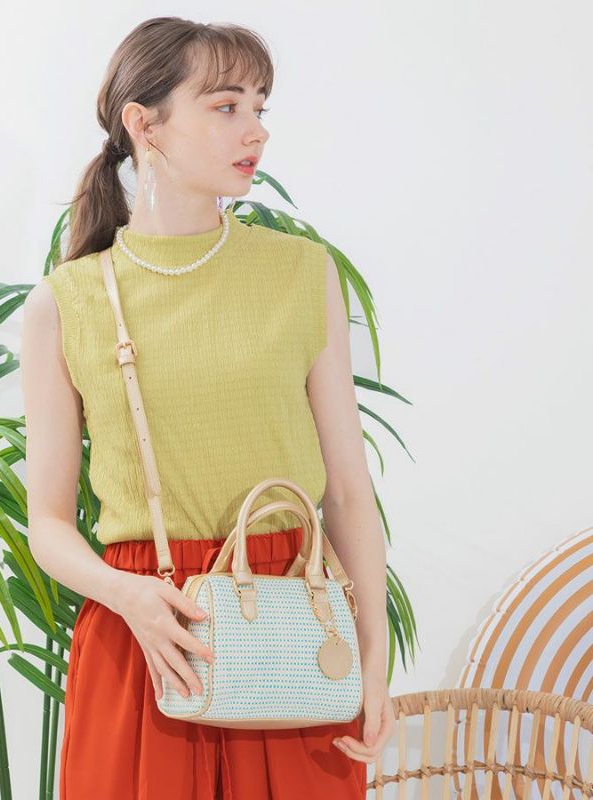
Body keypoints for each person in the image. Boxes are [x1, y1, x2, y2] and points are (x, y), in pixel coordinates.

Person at [20, 16, 393, 800]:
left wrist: (373, 656)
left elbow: (348, 491)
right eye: (226, 106)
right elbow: (47, 523)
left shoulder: (301, 273)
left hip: (296, 626)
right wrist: (125, 595)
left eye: (259, 107)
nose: (255, 130)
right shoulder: (67, 301)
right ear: (144, 123)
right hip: (146, 638)